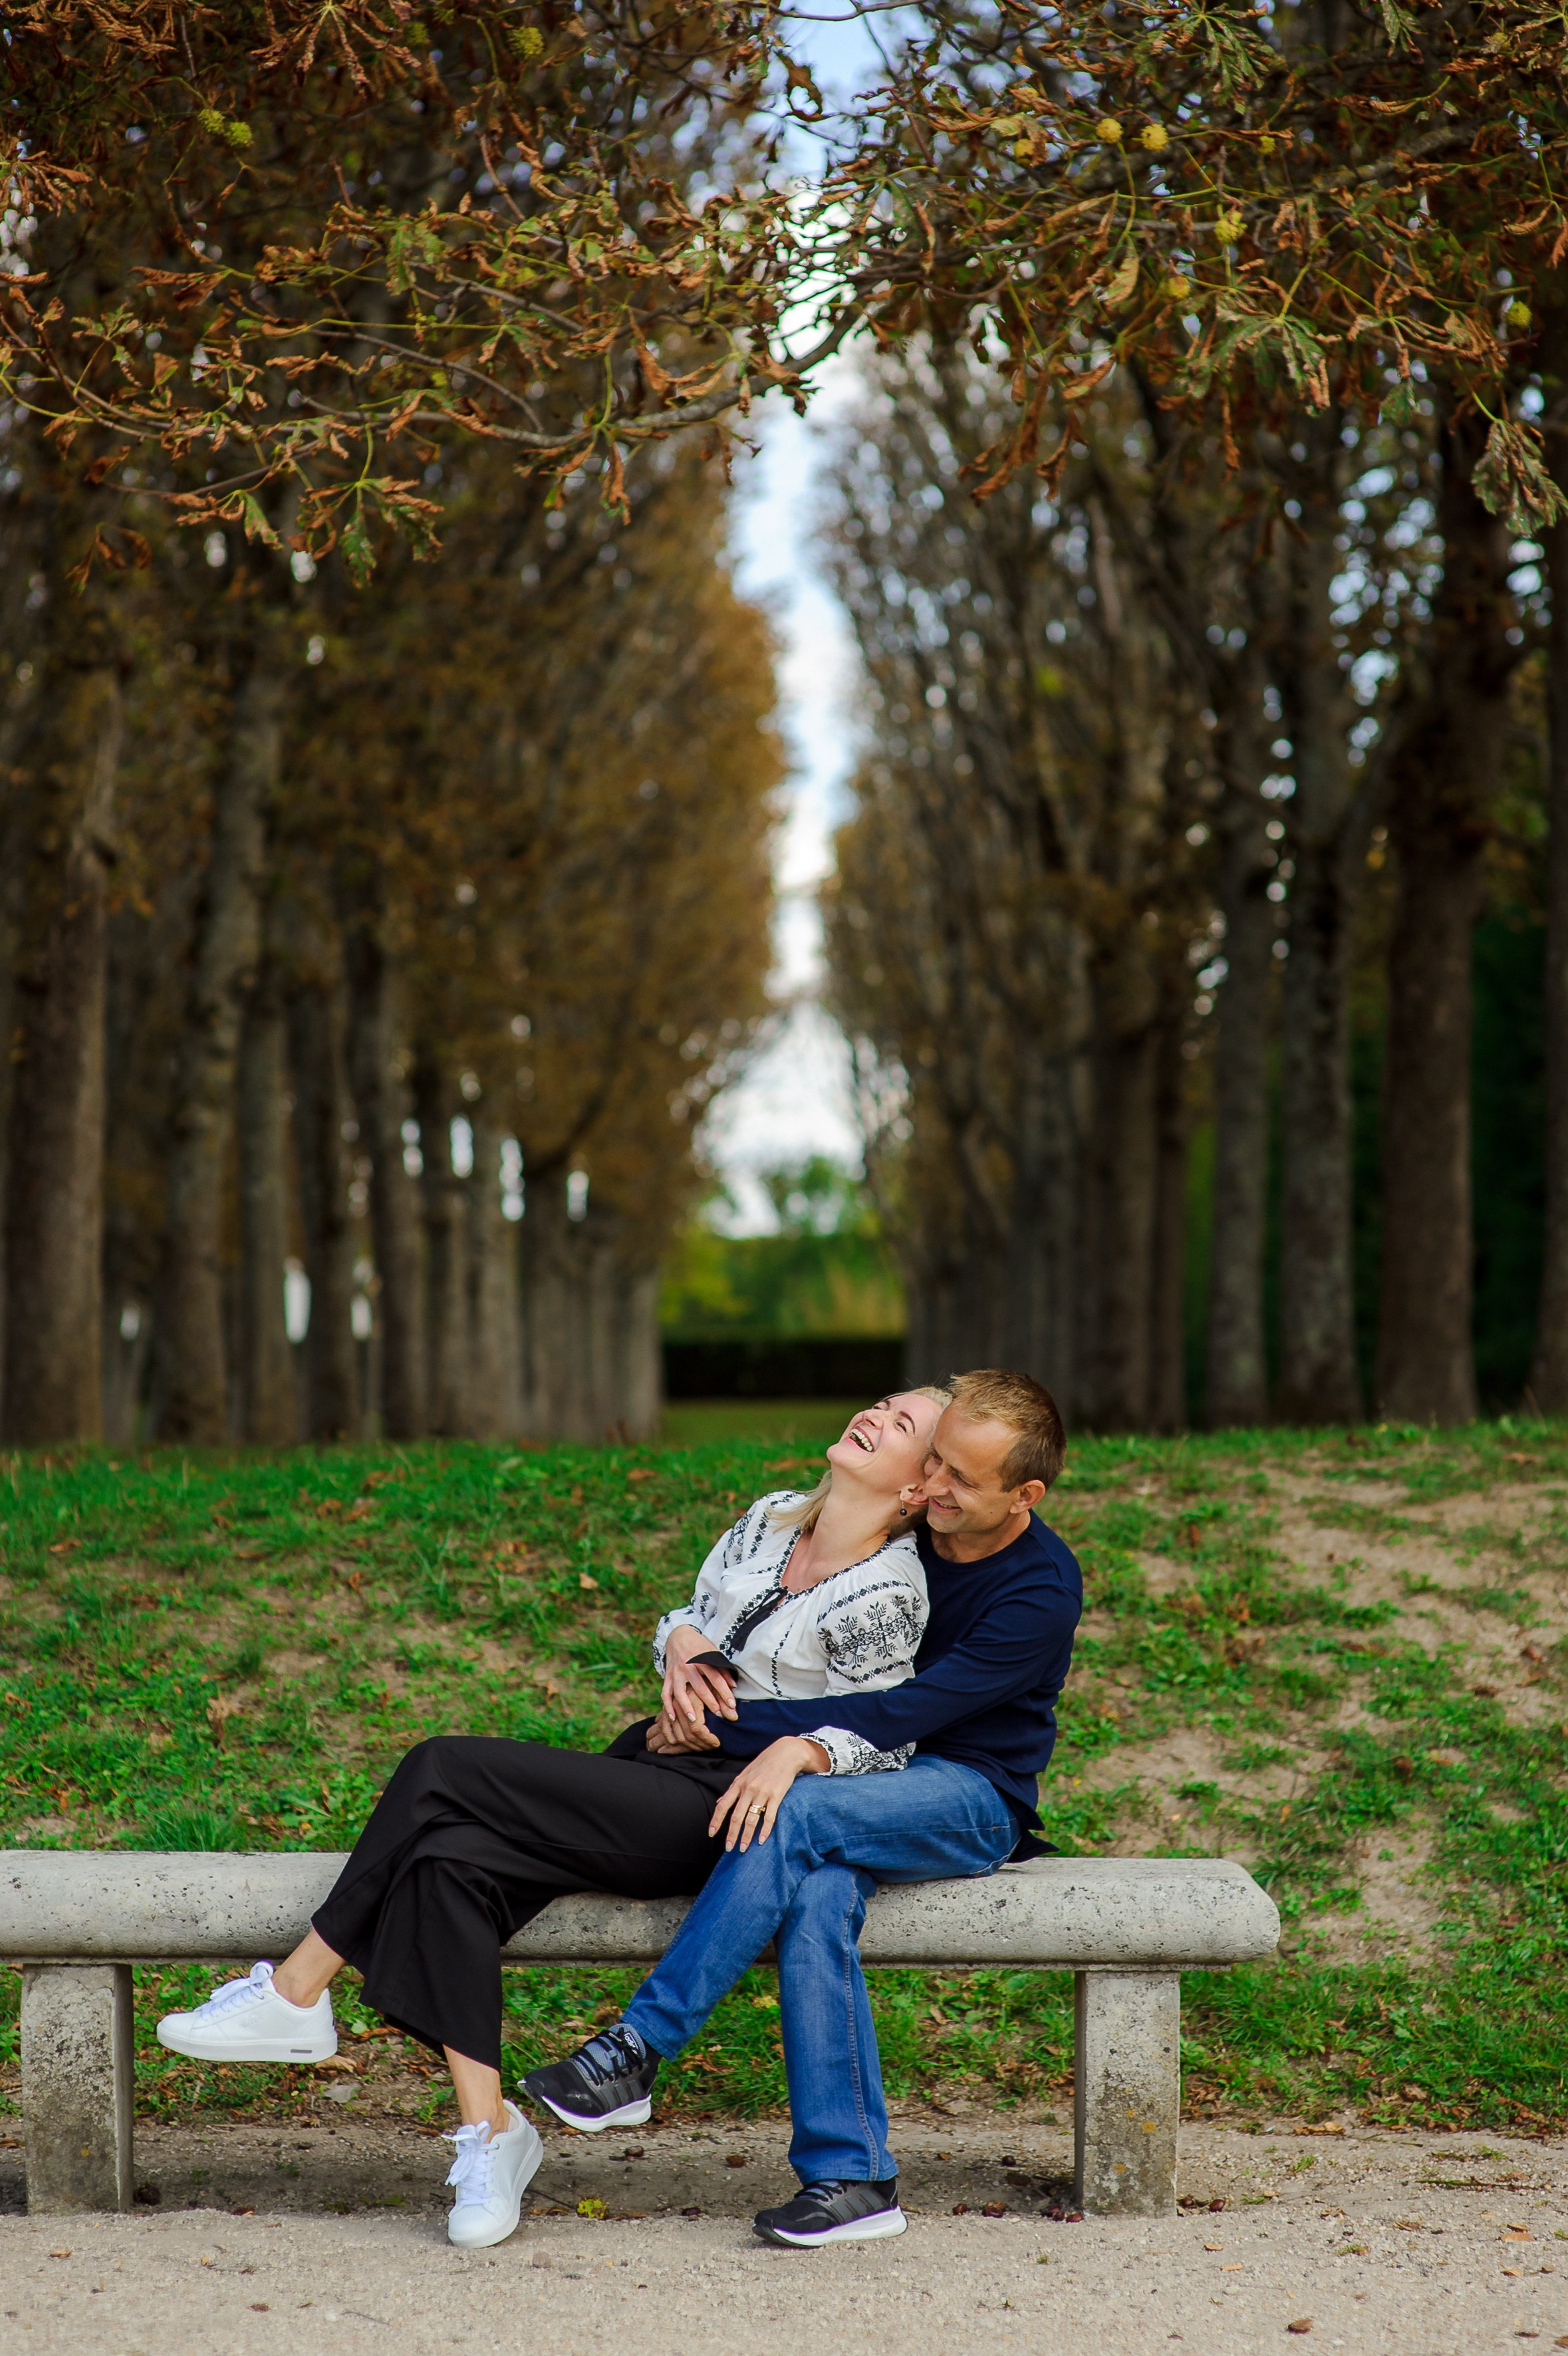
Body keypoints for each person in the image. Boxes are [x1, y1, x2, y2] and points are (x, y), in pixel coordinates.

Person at [154, 1387, 950, 2250]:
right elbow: (688, 1622)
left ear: (915, 1490)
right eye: (881, 1404)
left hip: (723, 1814)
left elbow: (881, 1739)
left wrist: (795, 1752)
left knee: (441, 1768)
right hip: (650, 1769)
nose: (875, 1416)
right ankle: (489, 2133)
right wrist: (678, 1649)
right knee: (448, 1860)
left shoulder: (885, 1590)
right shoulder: (769, 1519)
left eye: (901, 1426)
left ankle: (295, 1990)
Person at [523, 1367, 1079, 2250]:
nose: (932, 1490)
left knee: (797, 1816)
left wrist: (767, 1740)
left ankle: (639, 2048)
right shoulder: (922, 1533)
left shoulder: (1039, 1589)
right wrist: (692, 1662)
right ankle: (852, 2175)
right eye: (931, 1463)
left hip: (967, 1796)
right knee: (816, 1901)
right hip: (865, 1783)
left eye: (961, 1482)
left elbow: (910, 1712)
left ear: (1025, 1495)